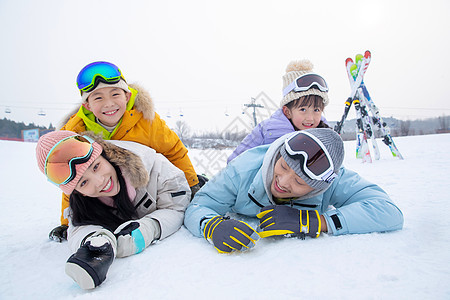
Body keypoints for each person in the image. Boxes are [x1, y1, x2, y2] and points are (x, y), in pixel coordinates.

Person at [50, 61, 201, 243]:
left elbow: (175, 151)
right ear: (87, 105)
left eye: (115, 94)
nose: (109, 104)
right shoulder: (76, 133)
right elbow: (73, 178)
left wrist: (192, 184)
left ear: (127, 96)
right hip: (107, 195)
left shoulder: (147, 121)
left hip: (145, 191)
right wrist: (66, 222)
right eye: (98, 98)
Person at [184, 128, 403, 253]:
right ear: (279, 154)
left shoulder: (332, 180)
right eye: (283, 166)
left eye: (299, 182)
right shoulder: (241, 170)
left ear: (319, 186)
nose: (283, 182)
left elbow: (388, 212)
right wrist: (211, 226)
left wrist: (316, 222)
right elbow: (199, 205)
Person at [36, 130, 191, 289]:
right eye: (83, 183)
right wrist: (97, 243)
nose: (100, 182)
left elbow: (176, 207)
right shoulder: (82, 202)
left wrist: (147, 229)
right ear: (77, 192)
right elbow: (78, 228)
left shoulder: (156, 168)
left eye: (96, 166)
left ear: (104, 154)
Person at [227, 59, 330, 163]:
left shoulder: (325, 135)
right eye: (303, 109)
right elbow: (235, 162)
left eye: (316, 110)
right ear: (287, 112)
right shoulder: (267, 130)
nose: (310, 118)